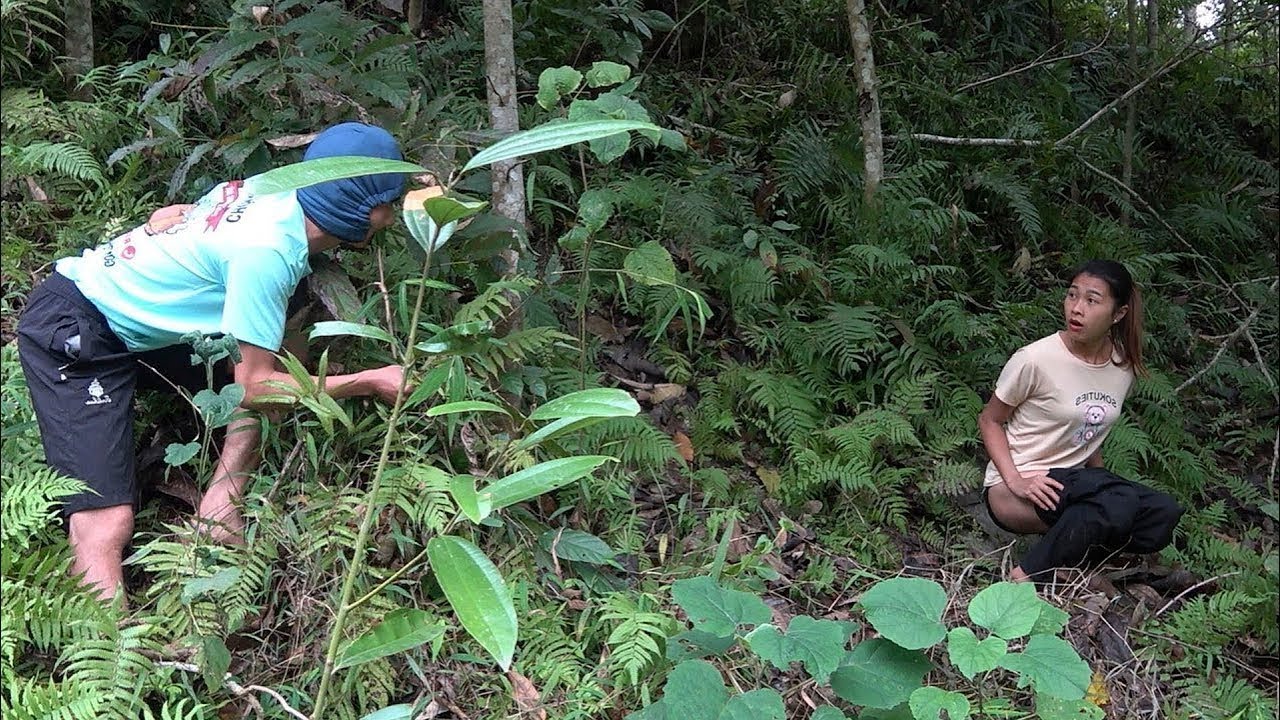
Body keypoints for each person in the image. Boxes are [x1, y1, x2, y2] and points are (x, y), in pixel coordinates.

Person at [16, 122, 413, 601]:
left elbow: (185, 219)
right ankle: (111, 655)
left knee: (283, 335)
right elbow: (254, 389)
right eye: (391, 202)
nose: (395, 213)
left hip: (142, 320)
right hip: (77, 333)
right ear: (367, 211)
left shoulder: (271, 189)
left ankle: (223, 501)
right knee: (106, 523)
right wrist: (369, 381)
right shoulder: (267, 253)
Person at [977, 259, 1184, 583]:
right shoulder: (1034, 359)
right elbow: (990, 420)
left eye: (1091, 300)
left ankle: (1075, 562)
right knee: (1117, 502)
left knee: (1163, 513)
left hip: (1075, 488)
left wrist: (1100, 483)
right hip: (1019, 488)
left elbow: (1089, 434)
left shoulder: (1121, 368)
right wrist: (1016, 480)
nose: (1076, 308)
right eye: (1072, 295)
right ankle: (1026, 575)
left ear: (1118, 314)